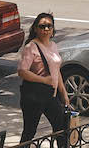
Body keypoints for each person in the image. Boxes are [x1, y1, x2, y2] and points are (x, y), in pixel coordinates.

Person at [18, 13, 70, 146]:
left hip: (51, 96)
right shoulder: (31, 47)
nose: (46, 29)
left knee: (61, 128)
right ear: (36, 28)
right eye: (42, 26)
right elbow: (22, 71)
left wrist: (63, 94)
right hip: (35, 96)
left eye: (49, 26)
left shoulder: (53, 45)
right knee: (30, 131)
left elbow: (56, 71)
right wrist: (44, 80)